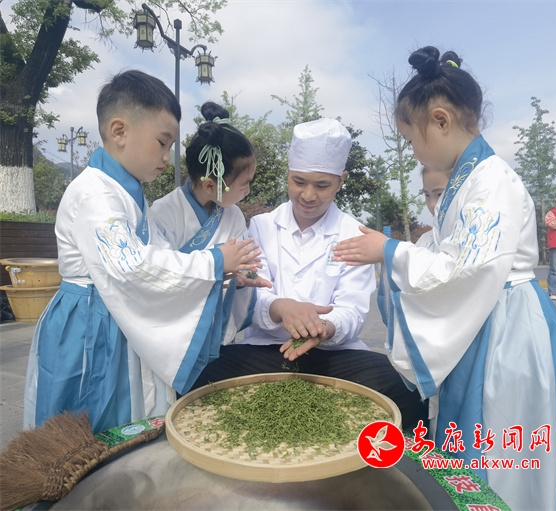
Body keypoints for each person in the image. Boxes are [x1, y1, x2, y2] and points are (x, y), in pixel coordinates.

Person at [333, 47, 556, 510]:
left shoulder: (491, 182)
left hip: (508, 332)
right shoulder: (469, 180)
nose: (413, 151)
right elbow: (451, 257)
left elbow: (466, 270)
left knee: (502, 448)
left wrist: (389, 251)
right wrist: (393, 251)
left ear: (440, 121)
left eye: (411, 139)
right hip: (487, 319)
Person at [23, 70, 263, 434]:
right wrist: (215, 261)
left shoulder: (126, 192)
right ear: (119, 131)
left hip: (117, 314)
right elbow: (131, 266)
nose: (167, 157)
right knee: (82, 422)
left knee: (120, 416)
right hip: (89, 322)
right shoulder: (95, 194)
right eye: (162, 143)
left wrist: (225, 272)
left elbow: (157, 252)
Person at [192, 118, 428, 431]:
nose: (307, 195)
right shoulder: (262, 226)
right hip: (266, 350)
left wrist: (325, 328)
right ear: (288, 175)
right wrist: (280, 308)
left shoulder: (353, 233)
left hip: (332, 355)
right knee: (200, 374)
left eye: (322, 185)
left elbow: (353, 309)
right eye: (298, 181)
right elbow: (251, 293)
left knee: (406, 388)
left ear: (341, 181)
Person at [151, 101, 272, 344]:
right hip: (174, 335)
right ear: (210, 185)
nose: (248, 191)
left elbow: (241, 266)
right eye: (244, 184)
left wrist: (242, 277)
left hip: (216, 331)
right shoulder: (163, 213)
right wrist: (220, 263)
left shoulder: (234, 215)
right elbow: (159, 276)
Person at [415, 165, 451, 250]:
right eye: (427, 195)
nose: (432, 204)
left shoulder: (474, 237)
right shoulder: (424, 241)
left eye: (439, 194)